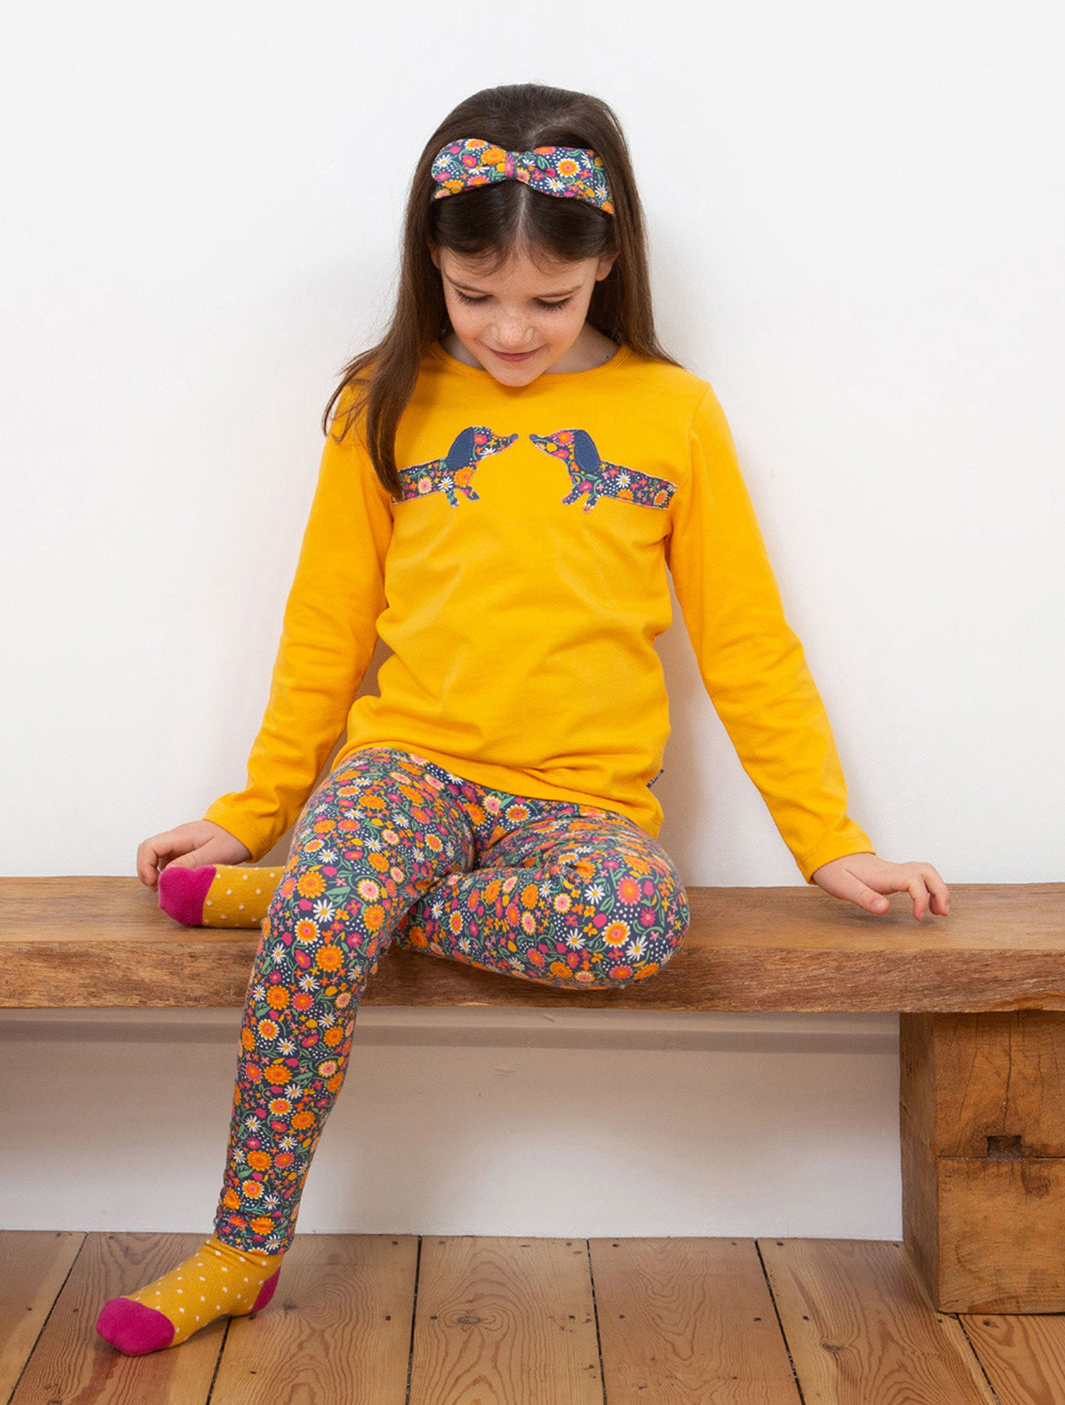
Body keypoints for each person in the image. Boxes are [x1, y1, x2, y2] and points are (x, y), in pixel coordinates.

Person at [95, 82, 949, 1356]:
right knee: (339, 890)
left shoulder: (673, 415)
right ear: (427, 263)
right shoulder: (381, 402)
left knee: (633, 923)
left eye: (548, 302)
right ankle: (241, 1246)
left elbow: (746, 642)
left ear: (608, 262)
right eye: (471, 293)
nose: (509, 330)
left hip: (580, 807)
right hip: (409, 770)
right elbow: (324, 631)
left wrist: (826, 837)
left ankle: (318, 896)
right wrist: (252, 813)